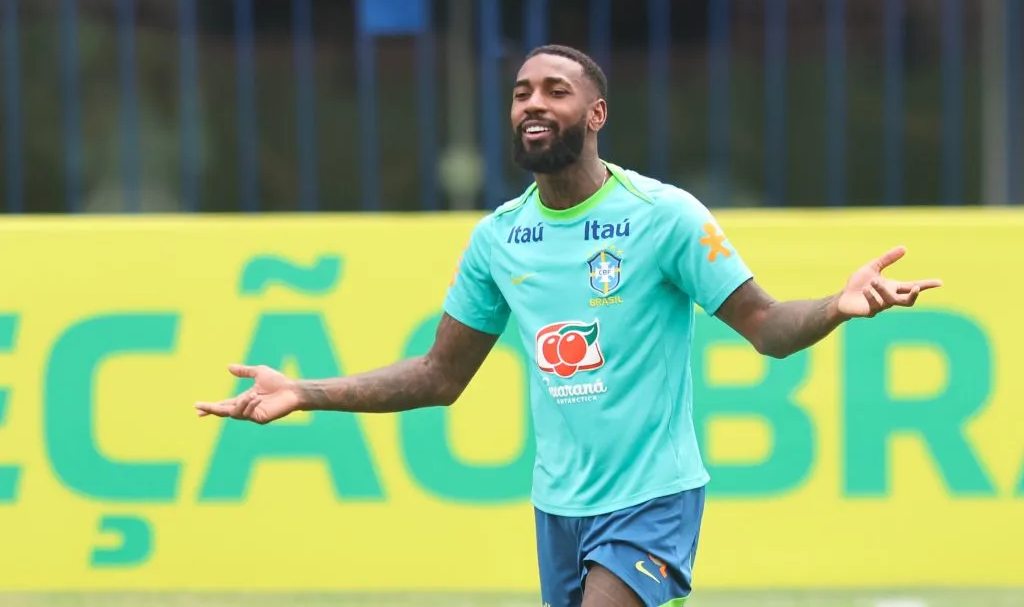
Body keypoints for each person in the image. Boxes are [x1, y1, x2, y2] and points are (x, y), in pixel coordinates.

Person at [195, 44, 942, 607]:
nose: (532, 103)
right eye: (521, 92)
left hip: (652, 496)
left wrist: (837, 307)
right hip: (558, 507)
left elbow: (768, 327)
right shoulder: (498, 237)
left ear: (596, 114)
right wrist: (304, 391)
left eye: (555, 90)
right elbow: (439, 375)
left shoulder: (663, 217)